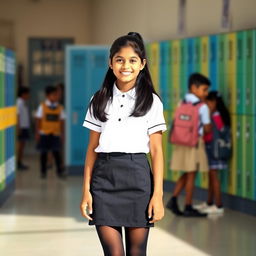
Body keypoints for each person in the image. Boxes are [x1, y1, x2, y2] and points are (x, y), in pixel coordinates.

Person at [80, 32, 166, 256]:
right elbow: (92, 149)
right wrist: (86, 190)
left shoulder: (151, 101)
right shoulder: (98, 99)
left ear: (142, 65)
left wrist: (158, 195)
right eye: (119, 59)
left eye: (132, 60)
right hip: (104, 179)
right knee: (113, 253)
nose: (125, 65)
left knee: (137, 252)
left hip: (137, 177)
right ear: (110, 63)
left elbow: (156, 152)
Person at [167, 73, 211, 217]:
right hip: (194, 144)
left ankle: (173, 199)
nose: (206, 93)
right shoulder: (202, 107)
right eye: (204, 90)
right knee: (191, 174)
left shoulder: (182, 102)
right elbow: (207, 128)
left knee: (186, 173)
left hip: (181, 141)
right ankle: (188, 205)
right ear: (194, 88)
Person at [194, 91, 231, 215]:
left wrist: (209, 114)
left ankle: (218, 205)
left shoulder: (216, 115)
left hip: (215, 150)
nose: (206, 104)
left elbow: (220, 130)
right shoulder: (215, 114)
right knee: (211, 176)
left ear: (214, 102)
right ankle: (209, 202)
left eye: (208, 102)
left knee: (214, 177)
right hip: (210, 148)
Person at [35, 85, 66, 179]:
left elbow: (62, 121)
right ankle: (43, 172)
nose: (56, 97)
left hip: (56, 134)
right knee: (43, 153)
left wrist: (62, 134)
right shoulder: (42, 106)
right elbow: (38, 120)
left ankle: (59, 172)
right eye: (54, 95)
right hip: (44, 134)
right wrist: (37, 133)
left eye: (57, 95)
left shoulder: (60, 108)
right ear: (48, 96)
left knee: (57, 153)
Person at [17, 86, 30, 170]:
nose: (29, 95)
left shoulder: (23, 102)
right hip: (21, 127)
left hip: (24, 127)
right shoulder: (19, 102)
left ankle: (20, 161)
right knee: (20, 146)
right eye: (27, 94)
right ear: (23, 94)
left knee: (23, 145)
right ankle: (18, 162)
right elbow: (17, 115)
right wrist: (18, 127)